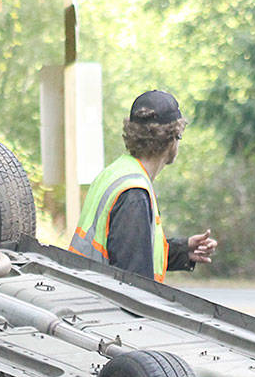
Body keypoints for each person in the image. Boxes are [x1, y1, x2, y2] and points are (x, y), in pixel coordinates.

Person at [69, 90, 216, 281]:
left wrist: (183, 250)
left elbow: (127, 249)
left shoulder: (115, 173)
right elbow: (133, 281)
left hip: (87, 298)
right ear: (174, 139)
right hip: (105, 306)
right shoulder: (134, 193)